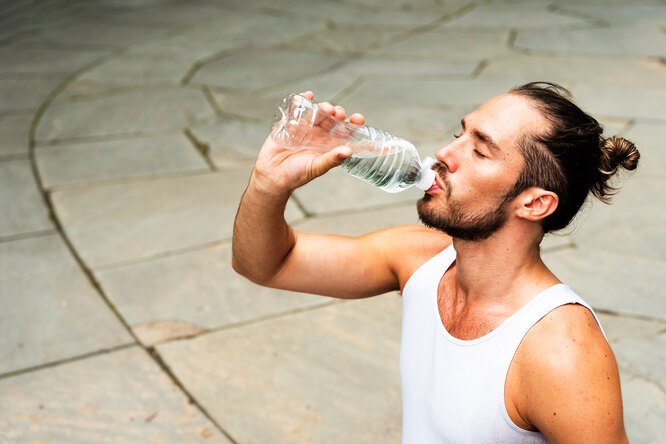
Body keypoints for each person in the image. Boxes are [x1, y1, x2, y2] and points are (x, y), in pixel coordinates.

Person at [232, 82, 639, 443]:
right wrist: (269, 183)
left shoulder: (560, 350)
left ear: (533, 203)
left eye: (479, 149)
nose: (444, 152)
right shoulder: (420, 259)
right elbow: (267, 263)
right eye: (458, 133)